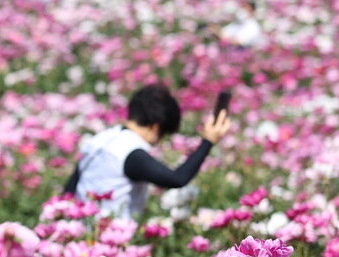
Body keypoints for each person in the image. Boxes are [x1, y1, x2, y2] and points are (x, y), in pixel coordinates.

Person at [63, 83, 231, 221]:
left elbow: (70, 190)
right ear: (155, 128)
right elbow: (177, 179)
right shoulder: (130, 152)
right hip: (107, 234)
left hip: (81, 229)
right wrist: (208, 141)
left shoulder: (100, 139)